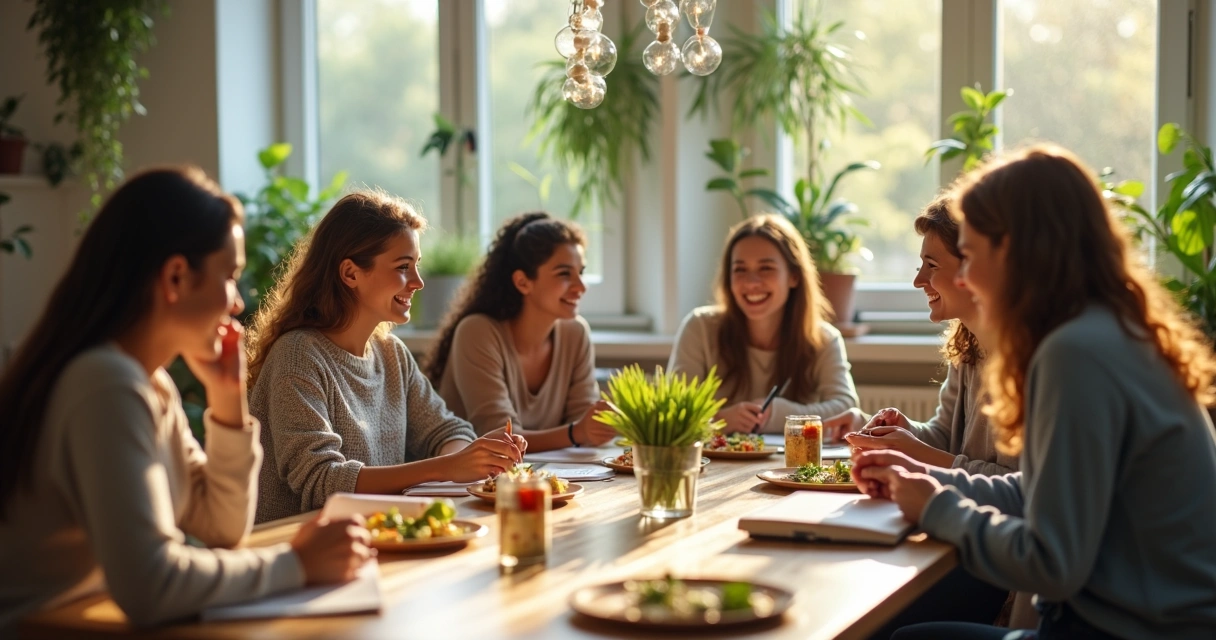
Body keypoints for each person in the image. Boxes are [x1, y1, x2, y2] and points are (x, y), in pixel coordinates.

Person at [853, 145, 1216, 639]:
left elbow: (1051, 563)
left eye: (970, 256)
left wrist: (936, 507)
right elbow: (1040, 490)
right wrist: (926, 478)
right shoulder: (1108, 332)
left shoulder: (1074, 353)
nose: (965, 278)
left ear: (1016, 253)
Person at [0, 168, 369, 631]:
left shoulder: (149, 383)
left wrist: (228, 402)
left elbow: (221, 527)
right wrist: (296, 564)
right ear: (176, 277)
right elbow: (151, 586)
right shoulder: (105, 384)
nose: (237, 303)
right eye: (230, 276)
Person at [248, 191, 526, 523]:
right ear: (350, 273)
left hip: (378, 535)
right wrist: (447, 467)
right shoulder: (297, 356)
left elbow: (446, 431)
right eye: (403, 267)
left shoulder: (391, 354)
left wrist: (471, 459)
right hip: (300, 543)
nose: (418, 282)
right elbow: (322, 481)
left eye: (416, 266)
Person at [839, 194, 1017, 475]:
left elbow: (1019, 485)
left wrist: (915, 452)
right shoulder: (968, 346)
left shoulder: (1031, 361)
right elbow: (945, 438)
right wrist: (906, 431)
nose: (918, 280)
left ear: (974, 268)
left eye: (932, 266)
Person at [427, 213, 614, 451]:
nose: (581, 286)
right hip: (474, 474)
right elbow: (500, 437)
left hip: (546, 471)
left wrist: (599, 427)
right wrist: (577, 432)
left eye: (581, 272)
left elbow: (583, 423)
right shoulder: (477, 333)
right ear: (523, 282)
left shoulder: (576, 333)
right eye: (564, 274)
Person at [669, 214, 858, 434]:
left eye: (766, 268)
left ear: (794, 277)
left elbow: (846, 409)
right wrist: (720, 420)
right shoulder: (699, 328)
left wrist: (780, 415)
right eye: (740, 269)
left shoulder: (824, 339)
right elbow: (673, 412)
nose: (751, 282)